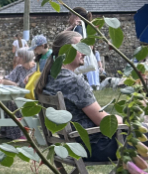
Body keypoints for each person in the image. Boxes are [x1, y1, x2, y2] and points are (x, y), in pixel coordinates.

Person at [35, 31, 122, 163]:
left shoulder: (51, 78)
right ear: (67, 52)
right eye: (81, 48)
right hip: (96, 146)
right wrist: (121, 119)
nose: (86, 53)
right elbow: (103, 122)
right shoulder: (74, 82)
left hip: (73, 147)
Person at [67, 7, 100, 78]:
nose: (68, 19)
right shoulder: (86, 29)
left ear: (76, 16)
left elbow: (76, 45)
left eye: (70, 15)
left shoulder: (78, 28)